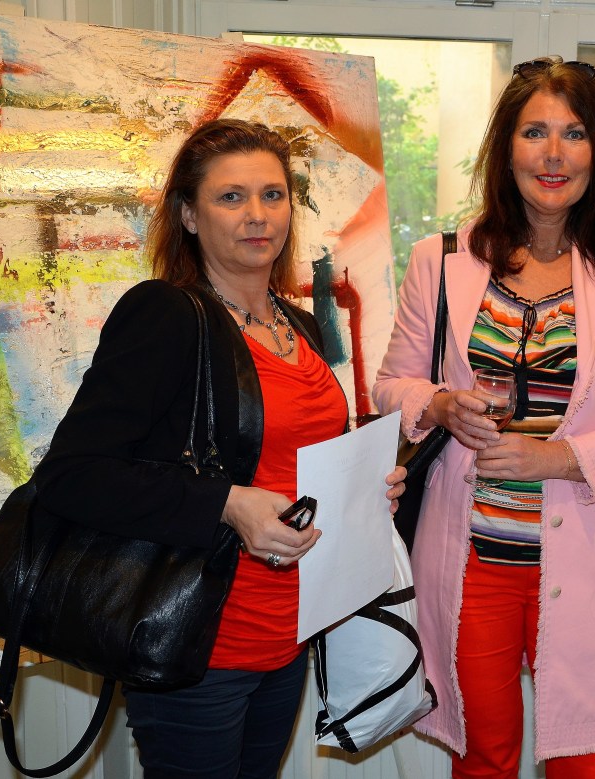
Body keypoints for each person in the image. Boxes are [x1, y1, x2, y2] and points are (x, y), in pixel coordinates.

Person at [32, 118, 406, 778]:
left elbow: (293, 459)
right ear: (189, 215)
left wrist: (365, 490)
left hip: (287, 639)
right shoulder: (167, 316)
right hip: (201, 649)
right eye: (231, 197)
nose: (257, 214)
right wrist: (227, 503)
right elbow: (72, 475)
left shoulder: (298, 325)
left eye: (272, 195)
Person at [372, 57, 595, 778]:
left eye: (574, 134)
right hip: (471, 559)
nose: (553, 154)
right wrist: (440, 405)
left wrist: (556, 458)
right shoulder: (441, 260)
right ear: (505, 149)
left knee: (592, 761)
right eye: (534, 132)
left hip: (581, 557)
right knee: (484, 758)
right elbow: (389, 387)